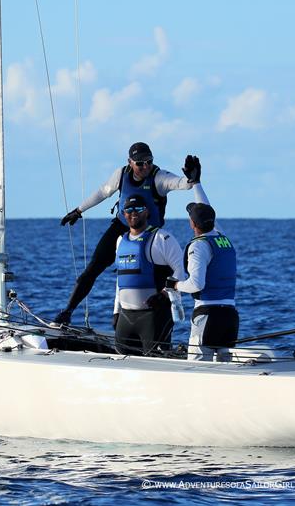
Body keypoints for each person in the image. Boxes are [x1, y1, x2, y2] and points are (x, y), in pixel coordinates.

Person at [54, 142, 200, 326]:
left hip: (149, 235)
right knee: (92, 268)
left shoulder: (159, 177)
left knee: (158, 285)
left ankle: (161, 338)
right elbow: (103, 192)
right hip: (121, 228)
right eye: (140, 163)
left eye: (149, 161)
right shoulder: (121, 175)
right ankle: (66, 313)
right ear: (130, 162)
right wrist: (79, 210)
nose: (145, 166)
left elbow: (180, 183)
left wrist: (191, 179)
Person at [167, 186, 238, 361]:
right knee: (225, 367)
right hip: (229, 316)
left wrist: (175, 285)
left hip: (208, 316)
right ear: (213, 221)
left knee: (199, 369)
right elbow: (206, 207)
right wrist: (196, 183)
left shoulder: (198, 245)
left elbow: (196, 285)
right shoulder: (223, 239)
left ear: (192, 224)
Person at [113, 194, 186, 355]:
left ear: (146, 212)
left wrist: (164, 294)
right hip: (126, 317)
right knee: (122, 364)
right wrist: (116, 311)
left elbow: (181, 271)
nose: (133, 213)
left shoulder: (162, 238)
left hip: (153, 317)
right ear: (123, 214)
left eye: (138, 209)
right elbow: (121, 280)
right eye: (129, 209)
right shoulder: (120, 240)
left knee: (156, 364)